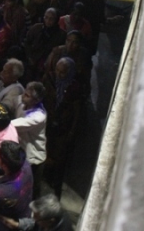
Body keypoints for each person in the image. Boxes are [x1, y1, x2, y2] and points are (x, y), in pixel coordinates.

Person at [42, 57, 83, 199]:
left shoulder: (74, 88)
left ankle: (56, 190)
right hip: (48, 125)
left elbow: (76, 111)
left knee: (59, 159)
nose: (59, 75)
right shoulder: (49, 80)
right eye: (58, 71)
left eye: (63, 73)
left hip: (63, 129)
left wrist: (72, 130)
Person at [11, 81, 47, 198]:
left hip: (33, 159)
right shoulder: (22, 103)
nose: (23, 95)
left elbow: (12, 124)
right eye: (25, 92)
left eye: (27, 95)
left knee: (29, 192)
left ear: (36, 101)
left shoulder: (38, 117)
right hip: (22, 154)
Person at [45, 30, 93, 97]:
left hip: (73, 89)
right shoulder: (57, 52)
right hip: (53, 85)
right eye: (68, 40)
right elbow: (48, 70)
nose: (70, 45)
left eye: (74, 42)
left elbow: (85, 77)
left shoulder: (83, 56)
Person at [24, 8, 66, 81]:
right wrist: (29, 57)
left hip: (48, 65)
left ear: (56, 20)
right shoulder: (37, 28)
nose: (48, 21)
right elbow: (27, 42)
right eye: (46, 17)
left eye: (51, 19)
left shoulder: (61, 35)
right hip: (32, 59)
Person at [0, 194, 74, 230]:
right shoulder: (47, 220)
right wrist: (17, 224)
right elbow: (34, 223)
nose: (33, 219)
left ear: (51, 220)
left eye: (37, 219)